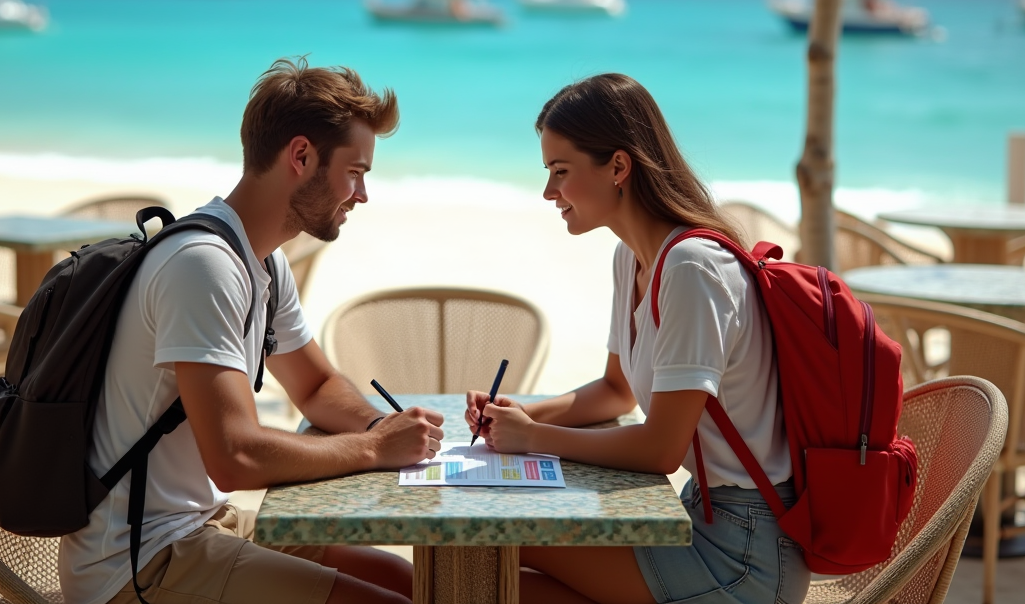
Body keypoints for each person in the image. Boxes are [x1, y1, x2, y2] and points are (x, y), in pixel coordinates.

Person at [60, 58, 444, 604]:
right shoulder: (202, 265)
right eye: (356, 172)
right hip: (135, 561)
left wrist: (385, 426)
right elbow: (234, 457)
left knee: (412, 582)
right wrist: (373, 447)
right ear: (301, 156)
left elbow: (315, 386)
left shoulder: (262, 261)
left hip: (203, 525)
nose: (362, 194)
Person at [464, 74, 809, 604]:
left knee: (486, 546)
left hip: (746, 556)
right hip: (702, 517)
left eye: (560, 171)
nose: (549, 192)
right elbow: (615, 391)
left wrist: (533, 438)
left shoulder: (692, 268)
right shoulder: (632, 258)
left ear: (618, 167)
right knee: (488, 573)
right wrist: (519, 415)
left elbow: (660, 450)